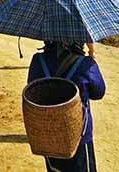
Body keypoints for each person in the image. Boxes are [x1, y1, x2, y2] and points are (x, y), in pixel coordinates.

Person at [28, 41, 106, 172]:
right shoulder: (85, 63)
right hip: (79, 135)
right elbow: (99, 92)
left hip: (48, 133)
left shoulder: (38, 60)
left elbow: (32, 87)